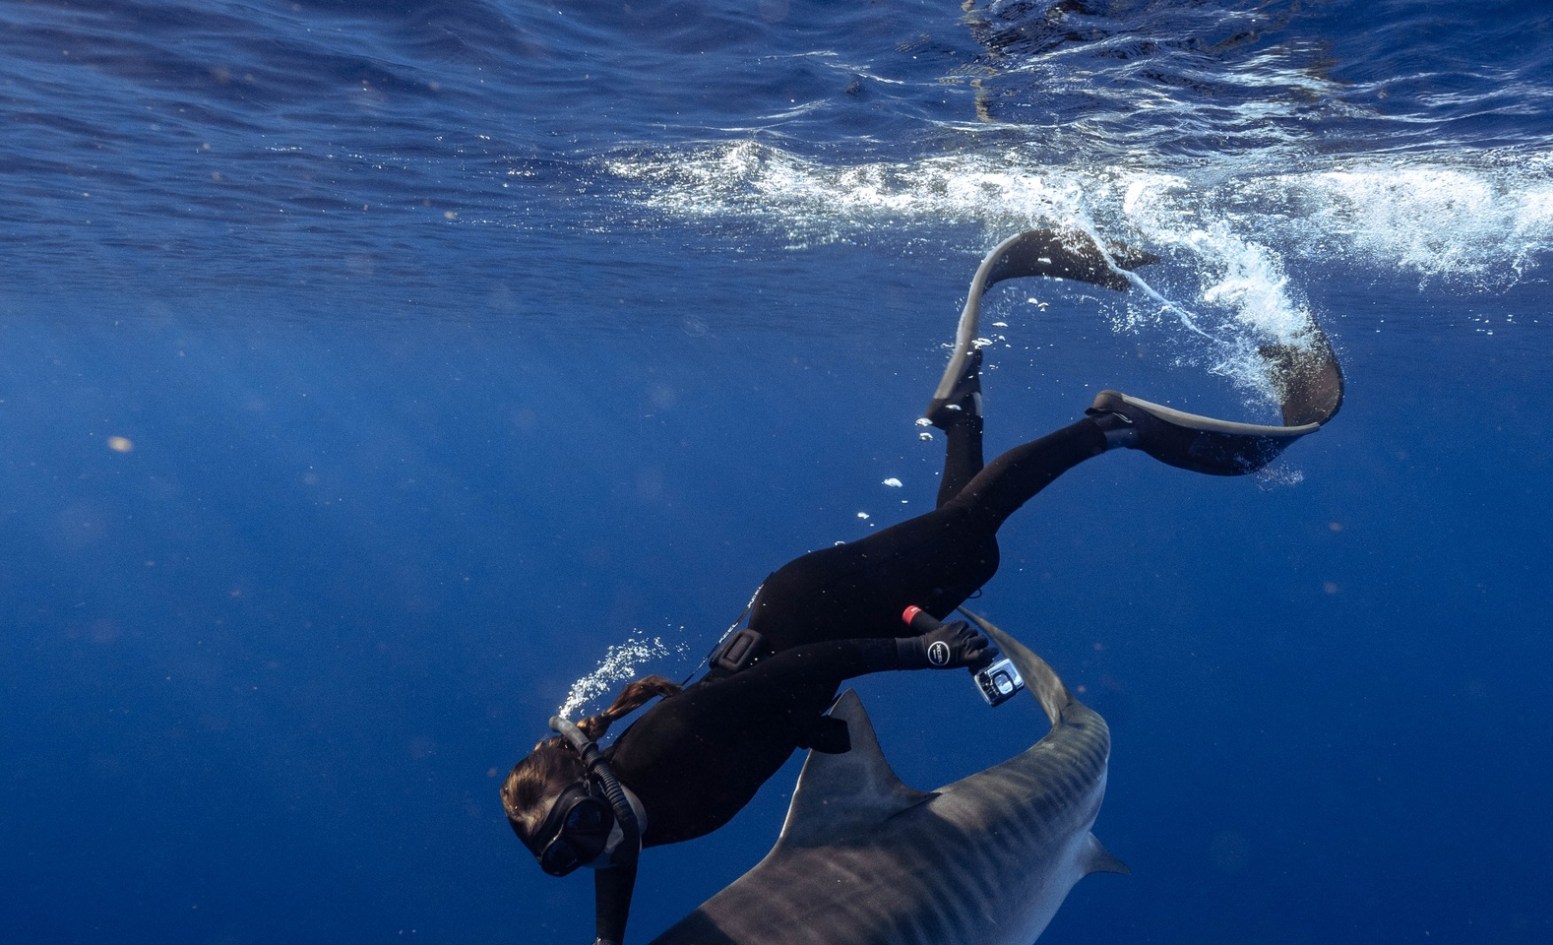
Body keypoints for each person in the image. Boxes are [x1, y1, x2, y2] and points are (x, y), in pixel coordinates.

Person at [500, 229, 1344, 945]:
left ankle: (1108, 425)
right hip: (812, 630)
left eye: (579, 824)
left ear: (591, 782)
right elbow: (621, 873)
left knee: (971, 534)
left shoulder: (668, 744)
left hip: (814, 608)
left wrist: (923, 650)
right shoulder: (621, 831)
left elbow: (807, 668)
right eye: (567, 855)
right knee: (963, 551)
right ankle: (961, 410)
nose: (591, 846)